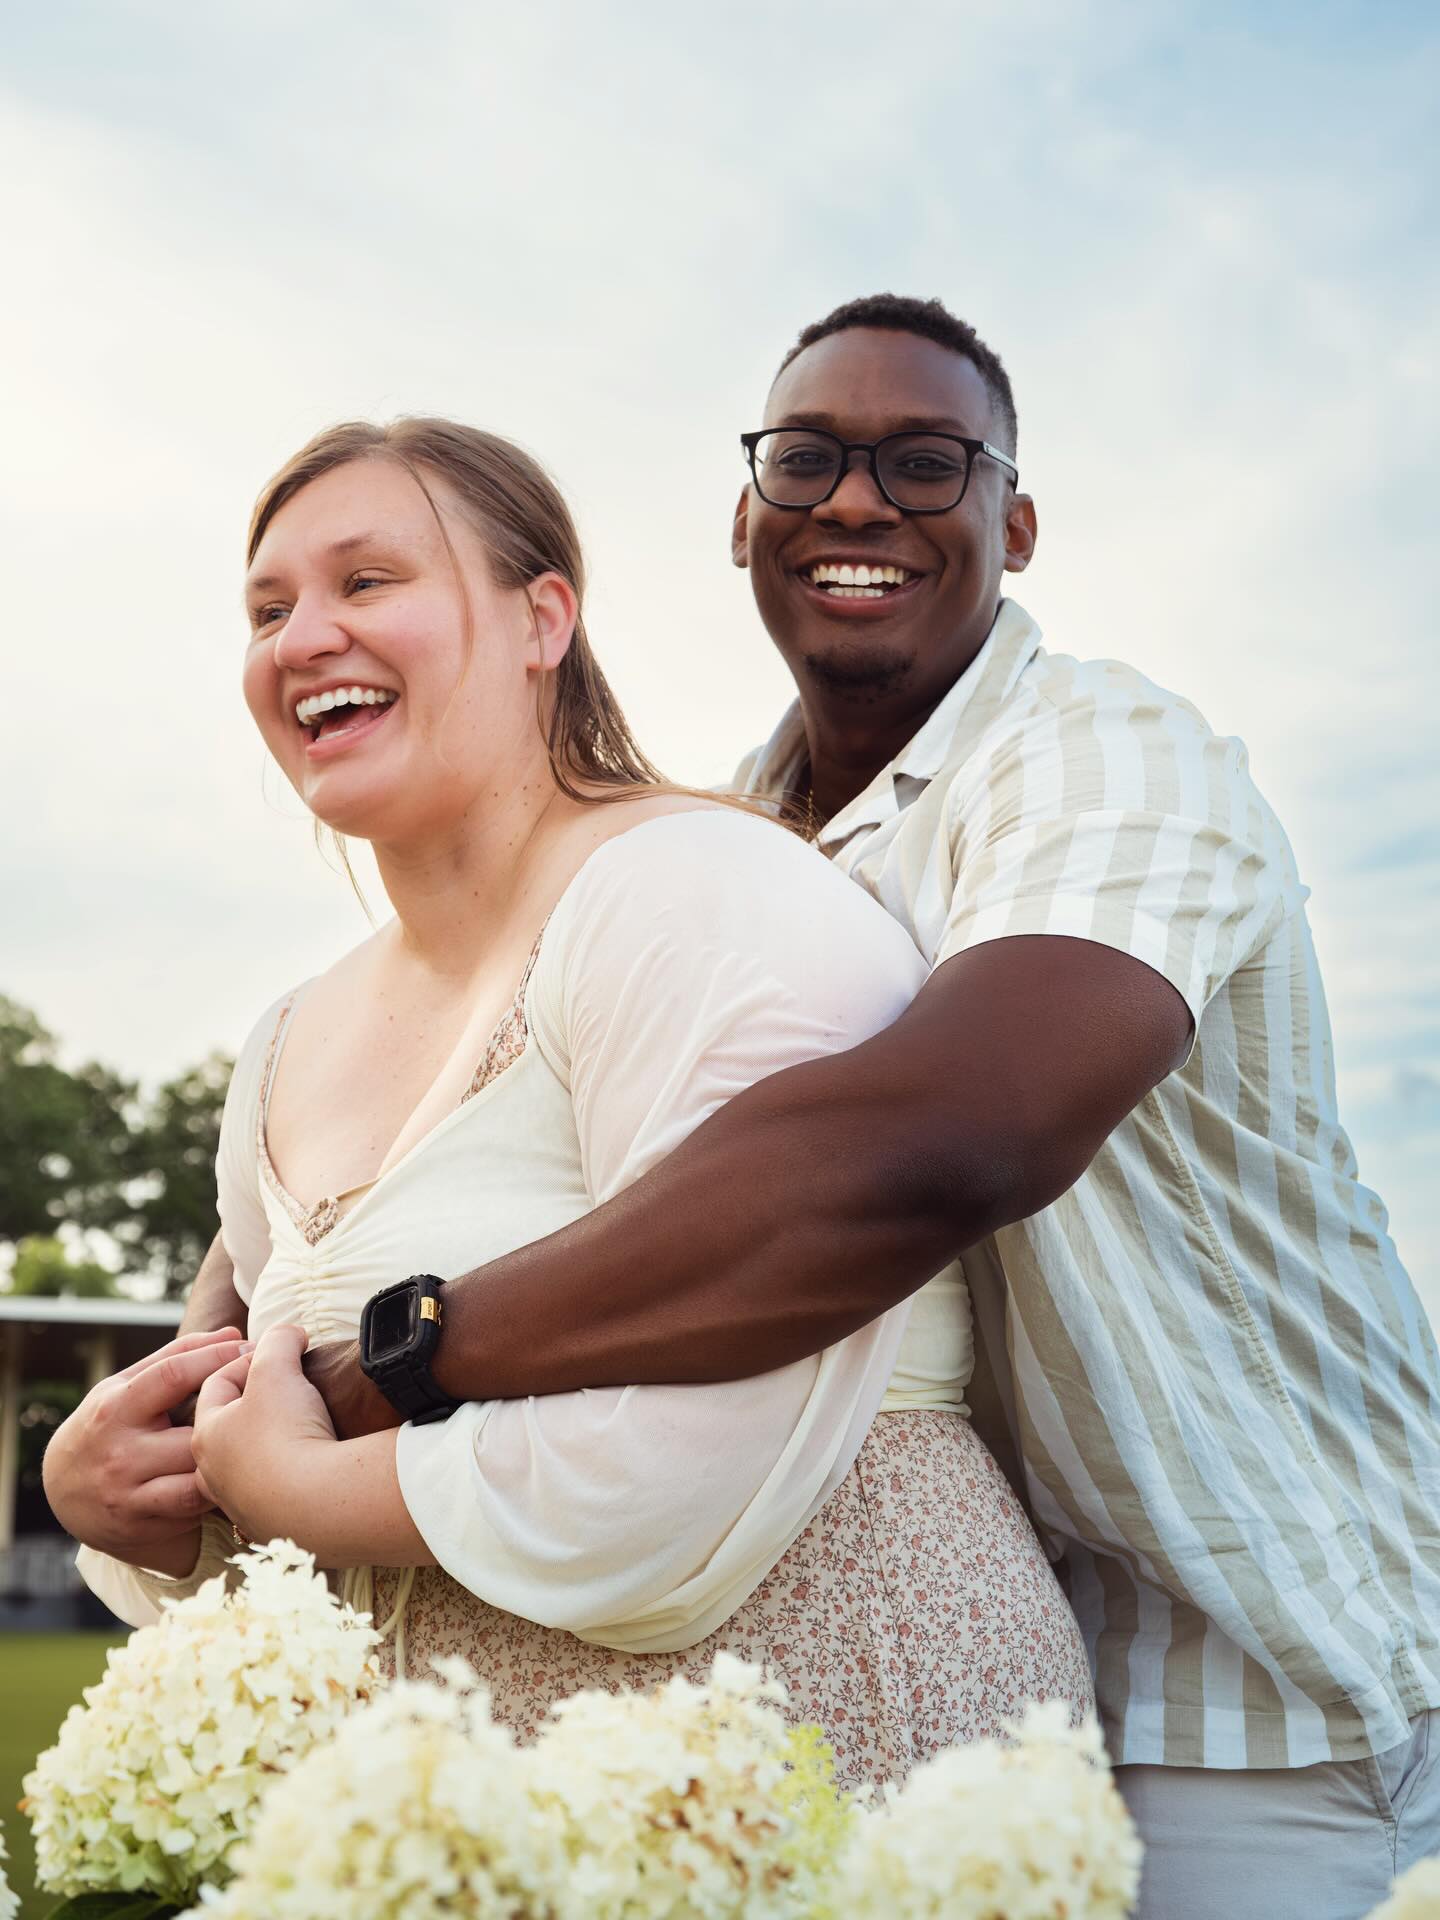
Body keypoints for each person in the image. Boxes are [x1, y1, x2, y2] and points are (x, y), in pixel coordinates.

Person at [142, 295, 1438, 1915]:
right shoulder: (726, 837)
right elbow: (338, 1234)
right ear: (744, 517)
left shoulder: (1109, 760)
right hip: (1008, 1621)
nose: (853, 502)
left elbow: (941, 1143)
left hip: (1268, 1675)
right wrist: (179, 1402)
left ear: (1014, 523)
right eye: (806, 458)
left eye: (924, 463)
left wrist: (409, 1355)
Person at [47, 415, 1093, 1790]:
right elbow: (242, 1443)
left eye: (368, 583)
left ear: (543, 619)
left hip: (817, 1769)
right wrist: (118, 1497)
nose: (303, 637)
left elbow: (702, 1458)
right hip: (446, 1836)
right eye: (268, 607)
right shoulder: (285, 1039)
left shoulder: (697, 896)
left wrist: (293, 1491)